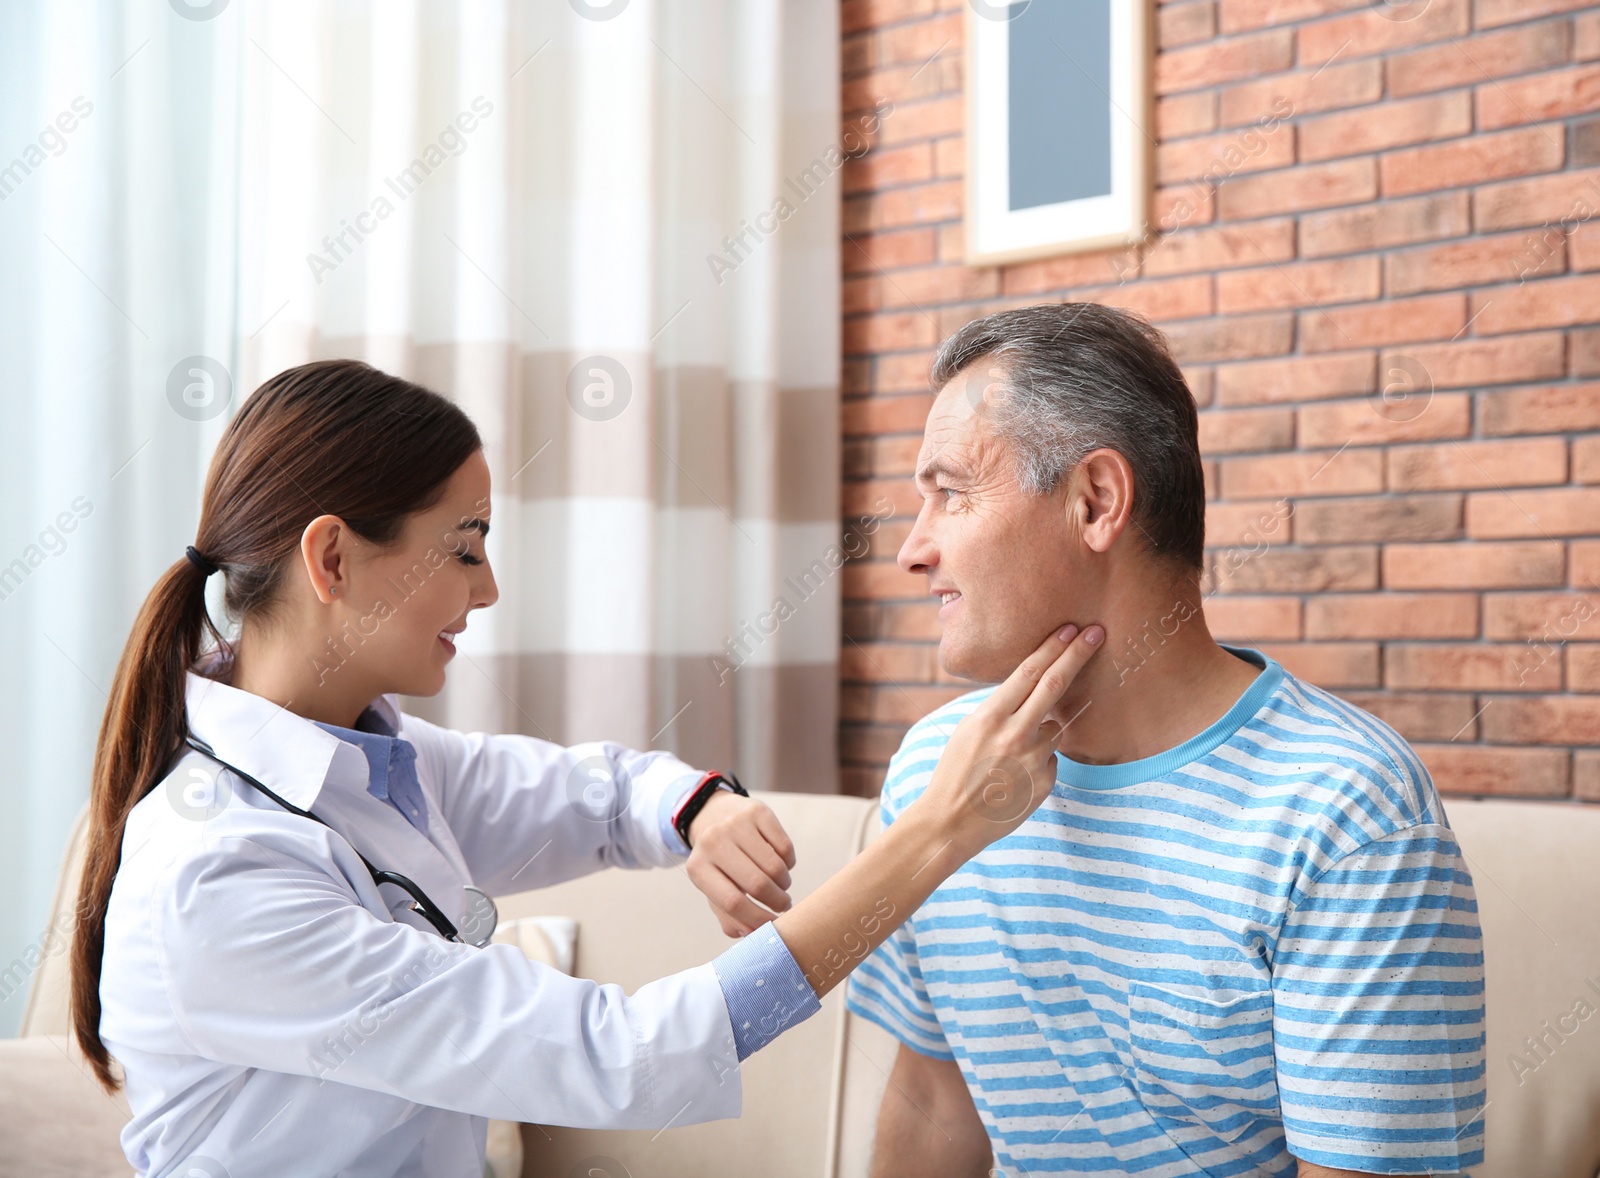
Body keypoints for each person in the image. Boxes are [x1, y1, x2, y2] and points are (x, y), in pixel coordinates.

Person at [70, 359, 1107, 1177]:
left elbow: (592, 788)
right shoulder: (220, 874)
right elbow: (626, 1058)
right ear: (332, 559)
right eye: (464, 546)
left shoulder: (370, 758)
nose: (488, 589)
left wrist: (694, 806)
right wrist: (936, 834)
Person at [846, 303, 1486, 1178]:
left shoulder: (1347, 813)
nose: (911, 551)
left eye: (950, 494)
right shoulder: (934, 774)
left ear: (1095, 501)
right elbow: (932, 1105)